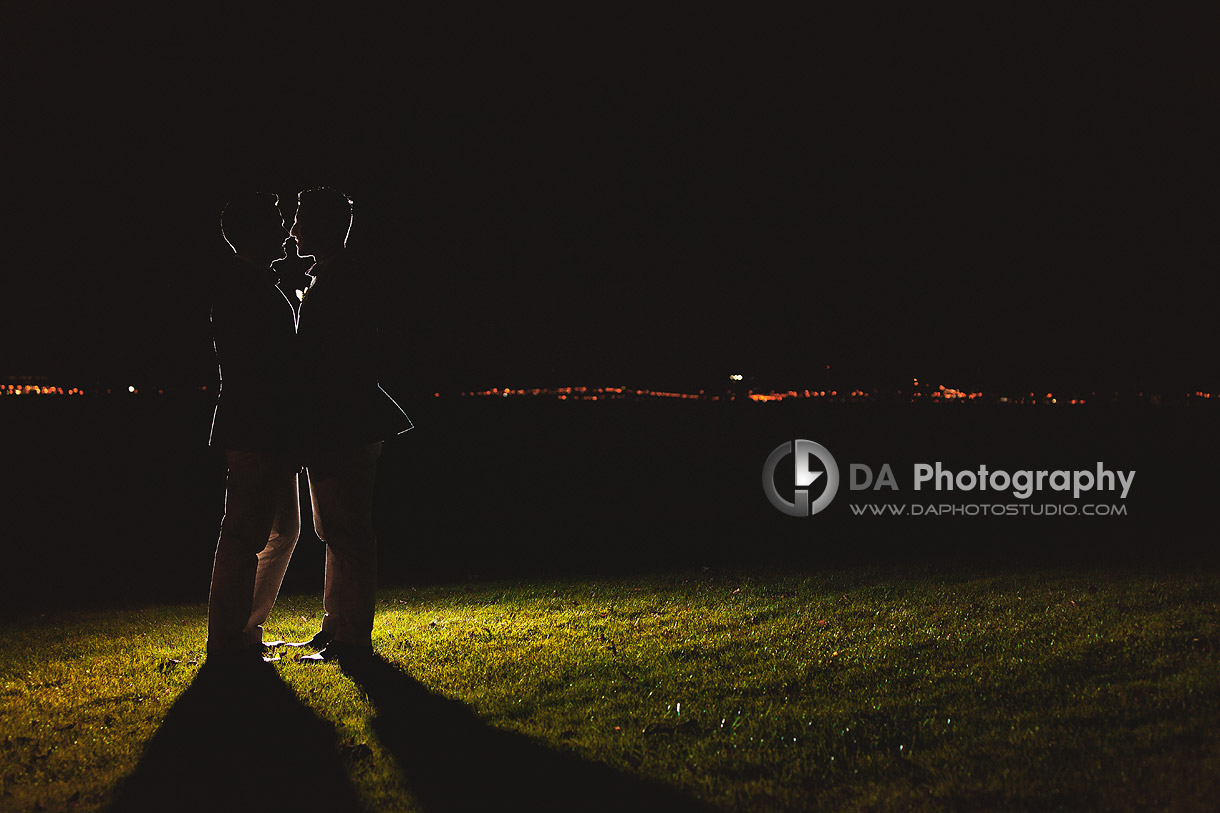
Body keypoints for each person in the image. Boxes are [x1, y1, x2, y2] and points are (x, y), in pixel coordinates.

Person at [287, 187, 413, 662]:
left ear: (322, 227)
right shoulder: (338, 277)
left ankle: (353, 636)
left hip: (345, 425)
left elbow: (328, 364)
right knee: (335, 530)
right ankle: (336, 627)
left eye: (300, 219)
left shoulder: (343, 282)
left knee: (348, 532)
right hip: (345, 423)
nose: (293, 229)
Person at [207, 193, 302, 664]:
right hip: (257, 428)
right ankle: (228, 640)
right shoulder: (245, 286)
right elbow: (266, 366)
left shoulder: (251, 283)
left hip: (262, 427)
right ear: (254, 232)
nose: (287, 231)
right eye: (279, 222)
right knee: (246, 534)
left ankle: (244, 630)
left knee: (283, 529)